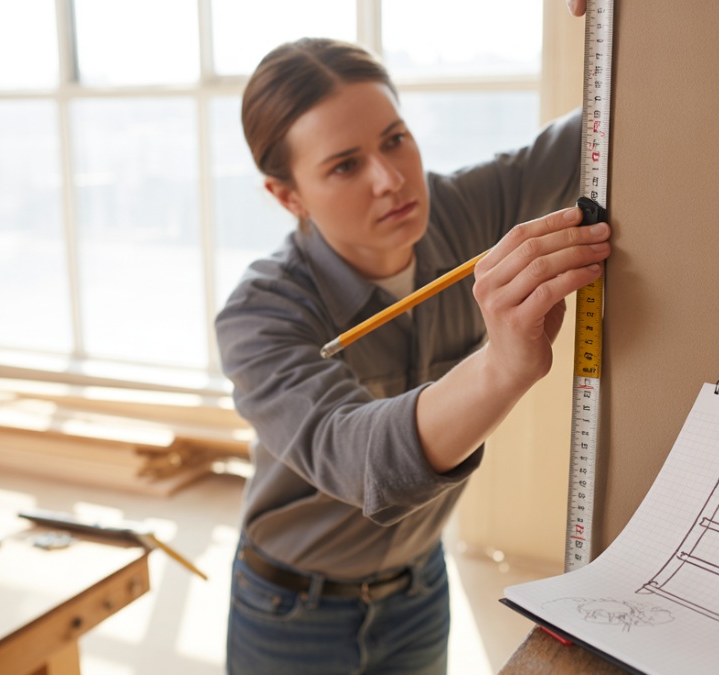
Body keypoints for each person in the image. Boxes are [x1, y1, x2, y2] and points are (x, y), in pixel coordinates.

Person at [215, 21, 607, 675]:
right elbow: (362, 458)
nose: (392, 178)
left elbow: (602, 124)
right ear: (287, 196)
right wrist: (503, 366)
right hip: (289, 610)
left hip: (419, 584)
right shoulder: (259, 314)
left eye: (395, 139)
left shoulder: (460, 208)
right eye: (345, 165)